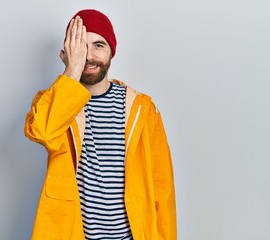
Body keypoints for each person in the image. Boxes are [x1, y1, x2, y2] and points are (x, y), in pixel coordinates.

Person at [24, 9, 177, 240]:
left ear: (111, 52)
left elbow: (162, 191)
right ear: (67, 52)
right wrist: (72, 71)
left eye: (98, 45)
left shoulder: (143, 109)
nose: (89, 55)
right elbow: (42, 132)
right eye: (80, 45)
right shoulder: (54, 102)